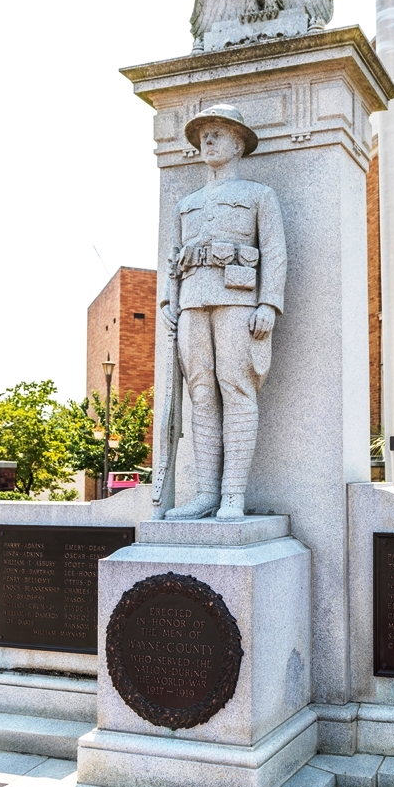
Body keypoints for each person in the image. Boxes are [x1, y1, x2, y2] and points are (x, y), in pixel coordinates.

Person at [160, 104, 287, 520]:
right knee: (201, 394)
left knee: (236, 388)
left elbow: (274, 252)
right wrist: (168, 301)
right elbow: (172, 257)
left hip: (238, 299)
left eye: (218, 133)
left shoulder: (258, 195)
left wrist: (269, 303)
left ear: (238, 143)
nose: (208, 140)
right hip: (192, 302)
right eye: (204, 135)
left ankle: (233, 494)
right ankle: (205, 494)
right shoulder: (186, 203)